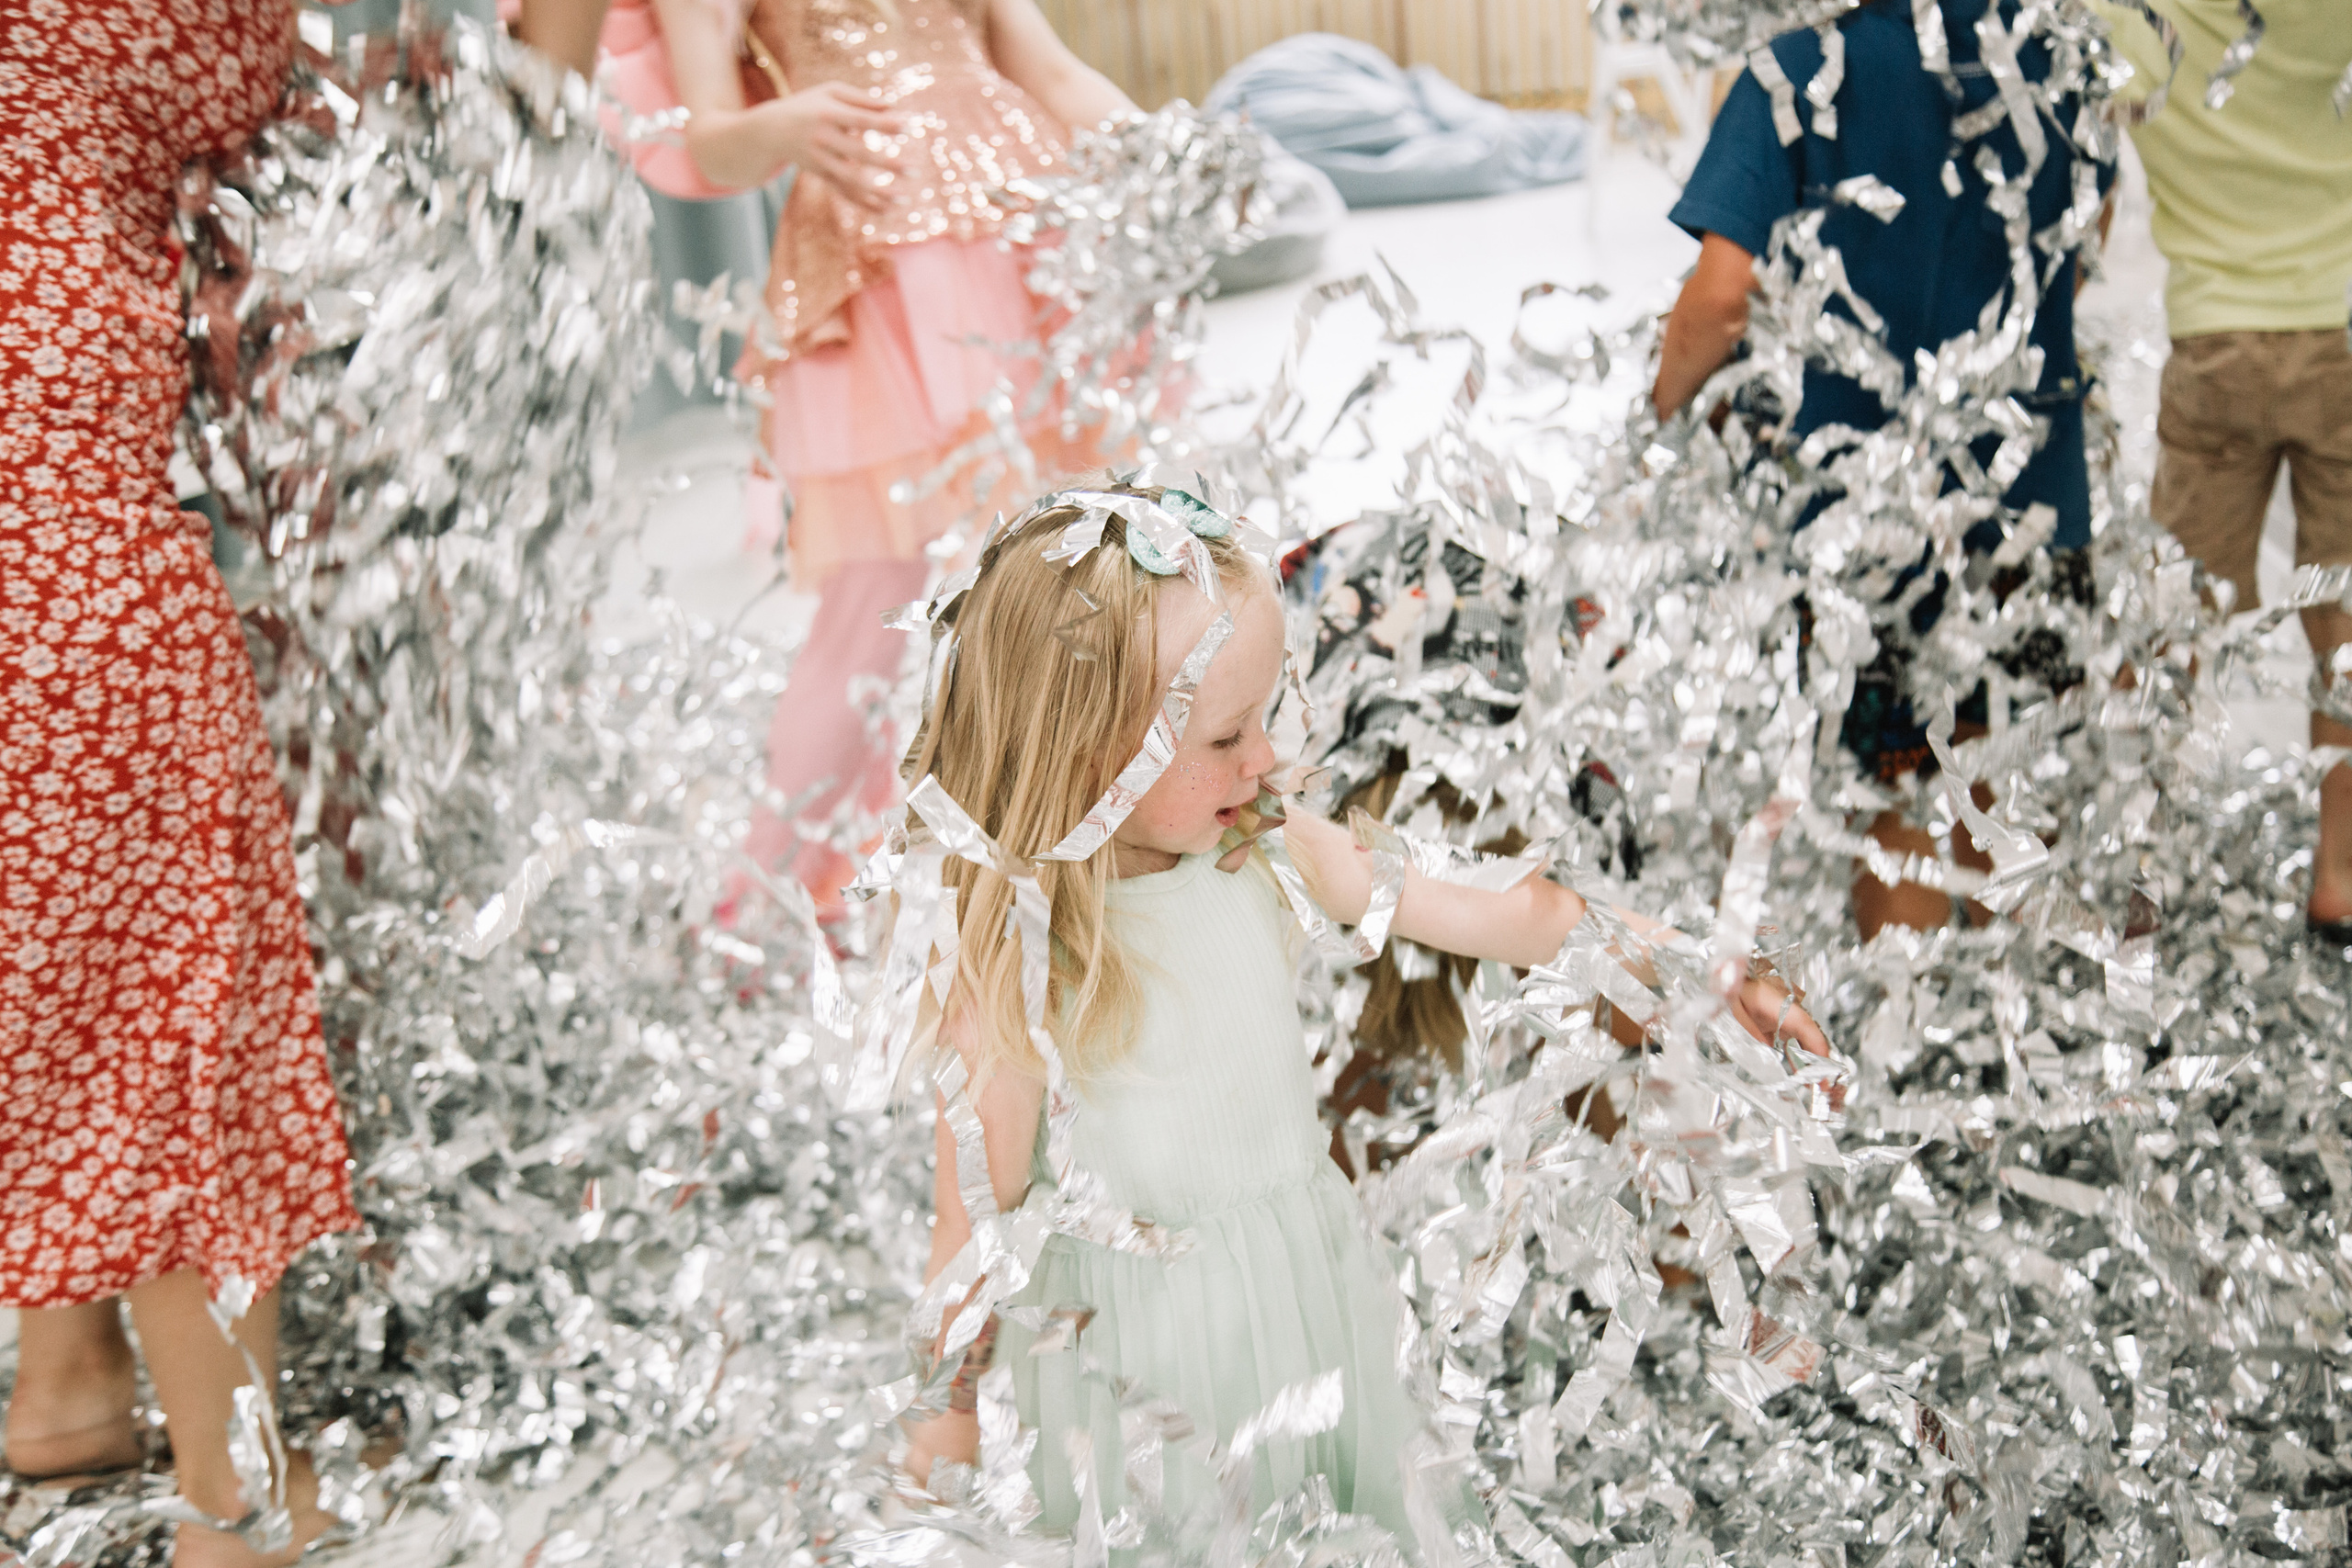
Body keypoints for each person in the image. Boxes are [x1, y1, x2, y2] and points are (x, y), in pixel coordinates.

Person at [888, 484, 1831, 1543]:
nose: (1267, 758)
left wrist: (1693, 964)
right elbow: (971, 1240)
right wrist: (939, 1457)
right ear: (1090, 754)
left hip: (1310, 1312)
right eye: (1228, 736)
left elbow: (1493, 907)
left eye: (1266, 718)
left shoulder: (1258, 842)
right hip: (1147, 1387)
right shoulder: (1022, 967)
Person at [0, 4, 607, 1562]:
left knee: (52, 992)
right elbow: (270, 101)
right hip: (68, 599)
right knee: (174, 1032)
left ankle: (65, 1376)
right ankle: (241, 1503)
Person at [648, 0, 1141, 915]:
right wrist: (784, 124)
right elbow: (711, 142)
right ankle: (773, 891)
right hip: (878, 266)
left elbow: (1054, 74)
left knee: (1080, 558)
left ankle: (1082, 847)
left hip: (1022, 235)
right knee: (872, 603)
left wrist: (1159, 156)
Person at [1650, 0, 2113, 940]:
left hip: (1870, 526)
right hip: (2030, 509)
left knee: (1895, 791)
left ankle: (1915, 1050)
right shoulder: (2069, 67)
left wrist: (1659, 414)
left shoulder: (1796, 73)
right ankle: (1999, 1042)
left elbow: (1720, 295)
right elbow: (2083, 245)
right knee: (2000, 773)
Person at [2095, 2, 2352, 943]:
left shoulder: (2146, 15)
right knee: (2347, 631)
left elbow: (2088, 126)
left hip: (2214, 349)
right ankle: (2340, 877)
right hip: (2341, 337)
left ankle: (2143, 880)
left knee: (2178, 628)